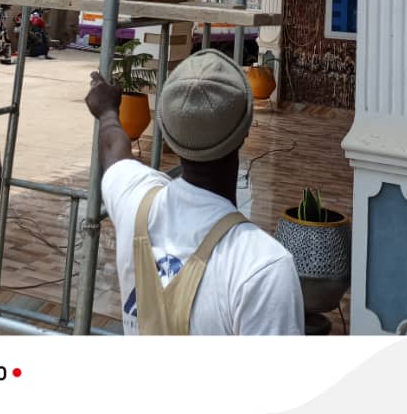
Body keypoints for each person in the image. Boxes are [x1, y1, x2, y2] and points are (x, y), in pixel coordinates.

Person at [85, 48, 304, 335]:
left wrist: (107, 112)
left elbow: (114, 149)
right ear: (245, 130)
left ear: (166, 129)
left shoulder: (134, 201)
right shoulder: (262, 266)